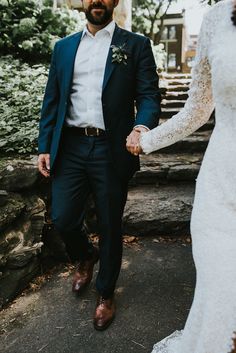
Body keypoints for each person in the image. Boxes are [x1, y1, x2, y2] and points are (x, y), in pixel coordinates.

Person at [37, 0, 161, 331]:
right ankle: (85, 256)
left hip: (112, 147)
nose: (97, 1)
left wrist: (141, 126)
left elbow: (149, 95)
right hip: (71, 146)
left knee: (109, 224)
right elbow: (52, 100)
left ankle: (105, 292)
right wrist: (44, 146)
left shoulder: (135, 45)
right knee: (63, 217)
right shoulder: (63, 48)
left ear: (115, 1)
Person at [129, 0, 236, 352]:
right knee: (221, 295)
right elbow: (197, 109)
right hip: (220, 188)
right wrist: (147, 140)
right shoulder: (216, 18)